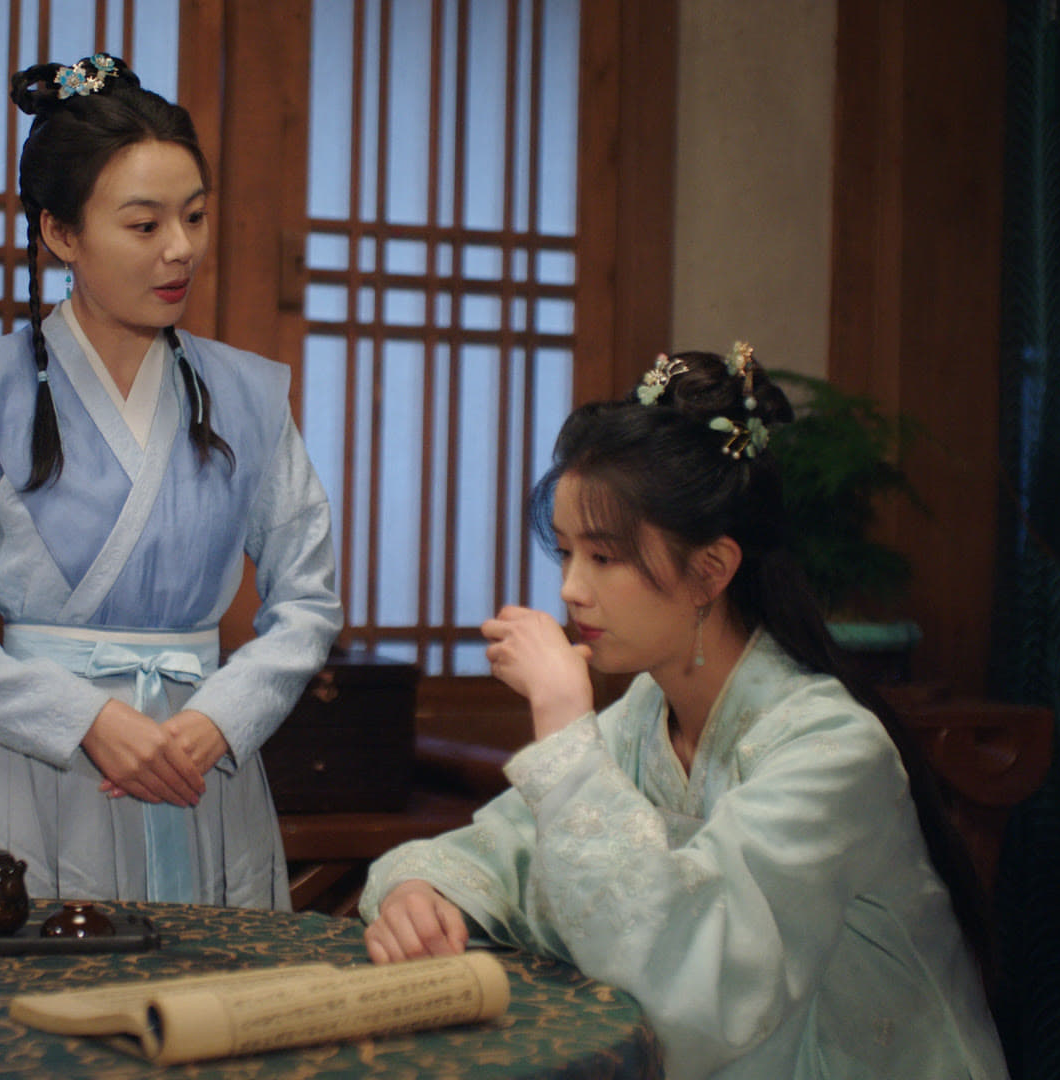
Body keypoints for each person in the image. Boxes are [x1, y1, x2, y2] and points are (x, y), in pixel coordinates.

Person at [360, 345, 1008, 1077]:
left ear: (711, 570)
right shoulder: (646, 714)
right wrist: (422, 891)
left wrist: (564, 721)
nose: (570, 588)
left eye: (604, 558)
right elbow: (511, 851)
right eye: (566, 553)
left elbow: (700, 991)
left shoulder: (831, 750)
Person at [0, 54, 342, 910]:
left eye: (194, 216)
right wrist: (82, 717)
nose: (181, 248)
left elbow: (308, 600)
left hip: (199, 766)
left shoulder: (248, 396)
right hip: (32, 764)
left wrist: (222, 718)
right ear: (61, 234)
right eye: (144, 223)